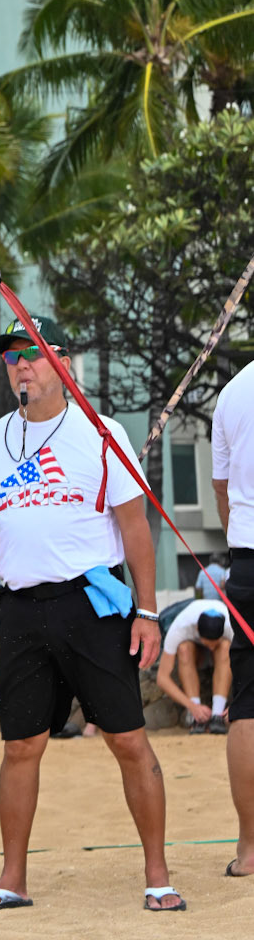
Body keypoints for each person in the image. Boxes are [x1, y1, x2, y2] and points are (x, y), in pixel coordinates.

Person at [0, 316, 185, 914]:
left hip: (93, 604)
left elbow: (136, 529)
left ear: (60, 361)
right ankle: (13, 878)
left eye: (29, 355)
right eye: (10, 359)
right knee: (21, 747)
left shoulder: (102, 434)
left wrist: (148, 611)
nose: (20, 367)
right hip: (22, 610)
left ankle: (157, 873)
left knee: (128, 739)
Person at [212, 354, 254, 877]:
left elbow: (222, 491)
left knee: (247, 703)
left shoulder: (233, 391)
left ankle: (250, 848)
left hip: (247, 557)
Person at [155, 603, 232, 734]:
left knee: (225, 647)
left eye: (214, 645)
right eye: (209, 645)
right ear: (196, 629)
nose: (211, 649)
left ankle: (217, 716)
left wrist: (238, 703)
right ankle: (196, 716)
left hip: (223, 650)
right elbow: (162, 678)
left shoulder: (231, 627)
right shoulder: (180, 627)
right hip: (193, 650)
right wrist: (192, 706)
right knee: (184, 648)